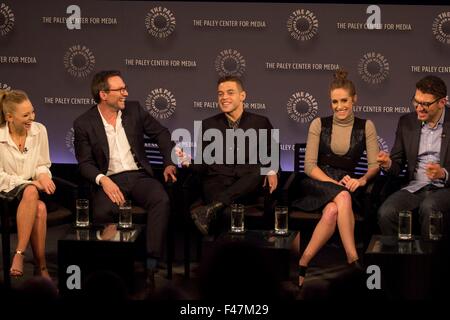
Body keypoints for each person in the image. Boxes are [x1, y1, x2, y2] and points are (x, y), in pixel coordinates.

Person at [73, 70, 177, 275]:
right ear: (103, 94)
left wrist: (168, 162)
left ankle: (151, 260)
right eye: (120, 89)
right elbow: (84, 163)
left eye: (125, 88)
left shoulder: (134, 110)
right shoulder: (84, 123)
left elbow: (162, 134)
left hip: (139, 176)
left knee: (161, 200)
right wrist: (103, 180)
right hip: (110, 179)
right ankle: (113, 265)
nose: (125, 93)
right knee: (102, 211)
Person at [292, 70, 380, 287]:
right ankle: (353, 259)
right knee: (342, 196)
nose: (339, 106)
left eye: (344, 101)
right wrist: (333, 185)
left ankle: (303, 262)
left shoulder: (366, 126)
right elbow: (309, 166)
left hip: (348, 183)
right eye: (334, 101)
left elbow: (374, 166)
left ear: (354, 99)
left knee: (332, 211)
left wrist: (361, 181)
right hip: (317, 182)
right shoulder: (318, 124)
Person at [180, 75, 278, 235]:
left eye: (230, 92)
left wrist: (272, 170)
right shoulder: (207, 125)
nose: (224, 97)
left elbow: (272, 155)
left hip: (247, 186)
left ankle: (211, 209)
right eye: (220, 94)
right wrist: (189, 162)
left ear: (242, 96)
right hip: (217, 182)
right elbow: (204, 164)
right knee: (226, 211)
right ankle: (215, 212)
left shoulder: (261, 123)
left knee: (259, 169)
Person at [377, 75, 450, 238]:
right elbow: (396, 165)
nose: (419, 108)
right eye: (416, 101)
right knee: (386, 212)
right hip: (415, 187)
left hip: (445, 189)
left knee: (429, 208)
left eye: (425, 104)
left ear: (442, 102)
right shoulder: (407, 122)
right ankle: (402, 262)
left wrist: (443, 173)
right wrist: (388, 163)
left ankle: (429, 262)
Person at [0, 89, 55, 279]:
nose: (31, 118)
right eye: (25, 115)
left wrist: (44, 176)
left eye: (32, 112)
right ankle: (29, 260)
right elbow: (0, 177)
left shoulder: (39, 130)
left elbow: (42, 164)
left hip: (29, 195)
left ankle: (37, 266)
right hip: (4, 192)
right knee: (31, 191)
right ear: (9, 117)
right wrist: (30, 183)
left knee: (39, 207)